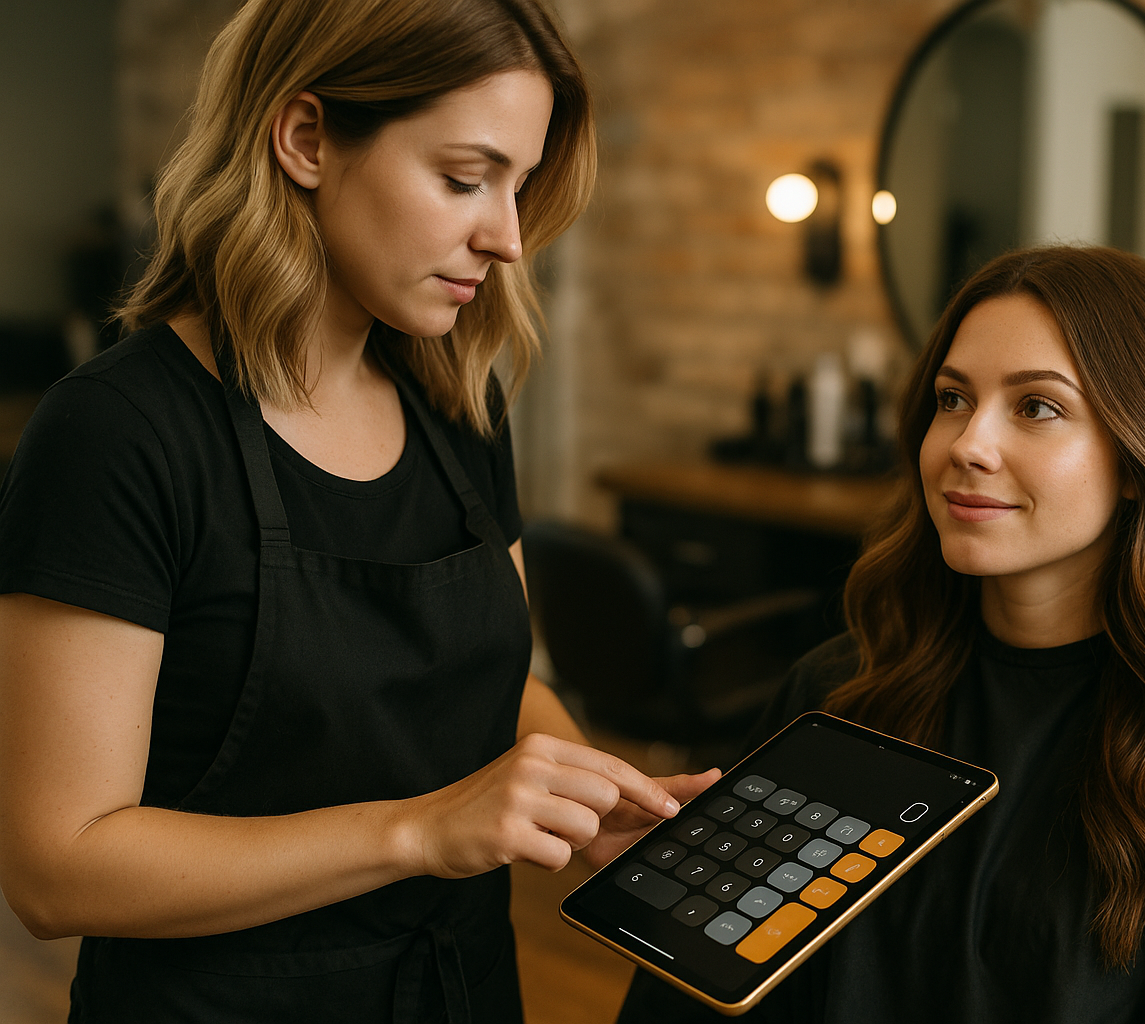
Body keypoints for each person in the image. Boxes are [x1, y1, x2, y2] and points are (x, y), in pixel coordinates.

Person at [0, 1, 717, 1020]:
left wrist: (588, 798)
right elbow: (55, 870)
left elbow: (497, 678)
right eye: (465, 179)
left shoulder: (459, 405)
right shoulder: (119, 435)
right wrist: (418, 831)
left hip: (460, 988)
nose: (508, 237)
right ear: (305, 140)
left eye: (519, 185)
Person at [620, 246, 1145, 1024]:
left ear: (1144, 456)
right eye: (952, 399)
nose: (969, 445)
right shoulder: (840, 699)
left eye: (1037, 407)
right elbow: (698, 993)